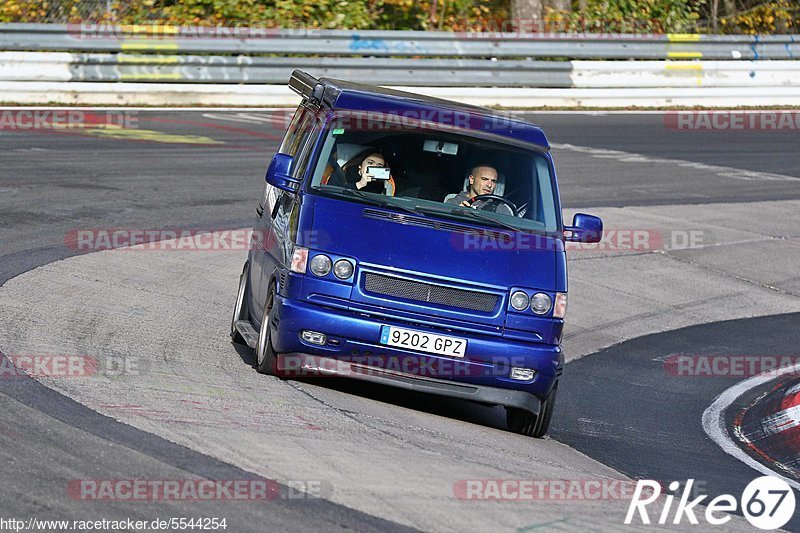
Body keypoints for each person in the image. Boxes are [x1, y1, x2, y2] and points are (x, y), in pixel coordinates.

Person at [444, 163, 513, 215]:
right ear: (471, 180)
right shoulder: (454, 203)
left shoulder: (501, 209)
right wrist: (455, 214)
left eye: (493, 181)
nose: (489, 185)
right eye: (484, 179)